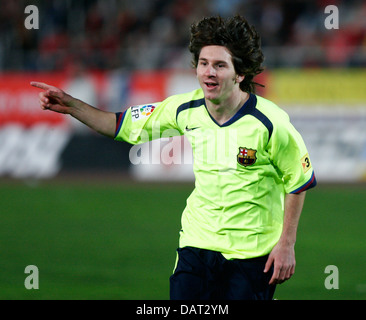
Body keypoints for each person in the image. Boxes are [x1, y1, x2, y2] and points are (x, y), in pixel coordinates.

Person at [31, 15, 316, 300]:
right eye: (204, 63)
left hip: (252, 254)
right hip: (197, 244)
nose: (209, 73)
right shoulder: (183, 108)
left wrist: (286, 244)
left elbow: (299, 180)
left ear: (239, 73)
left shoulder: (270, 122)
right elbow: (119, 125)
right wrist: (71, 105)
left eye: (219, 65)